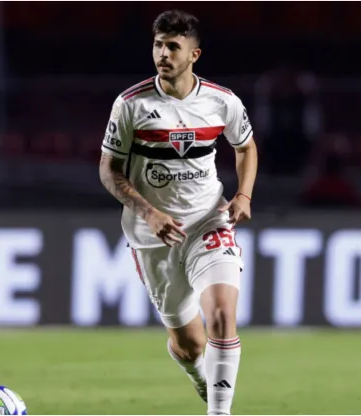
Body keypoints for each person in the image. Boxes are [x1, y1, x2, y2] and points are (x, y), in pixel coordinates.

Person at [98, 10, 258, 415]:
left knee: (222, 314)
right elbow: (108, 170)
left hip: (208, 221)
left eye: (173, 46)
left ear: (194, 54)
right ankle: (200, 376)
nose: (163, 54)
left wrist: (244, 195)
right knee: (190, 346)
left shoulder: (223, 102)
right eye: (158, 45)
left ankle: (219, 412)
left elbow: (245, 147)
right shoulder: (131, 105)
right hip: (153, 237)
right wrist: (149, 212)